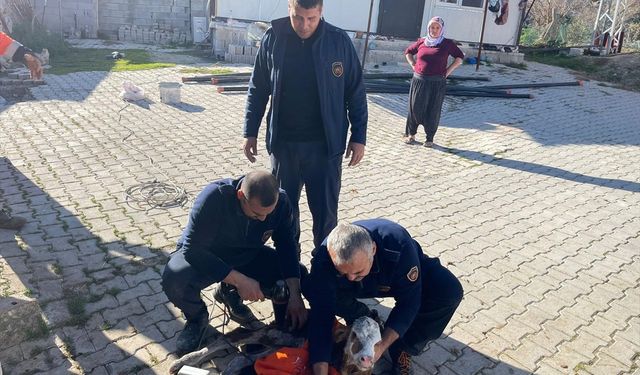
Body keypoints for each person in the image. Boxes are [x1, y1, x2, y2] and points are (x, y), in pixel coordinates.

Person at [242, 0, 368, 252]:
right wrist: (250, 131)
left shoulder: (338, 42)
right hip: (284, 146)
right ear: (289, 8)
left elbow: (355, 90)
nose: (304, 25)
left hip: (325, 148)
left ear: (321, 12)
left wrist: (359, 136)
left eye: (311, 18)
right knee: (283, 213)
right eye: (298, 17)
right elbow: (258, 88)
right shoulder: (273, 38)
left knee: (325, 217)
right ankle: (291, 268)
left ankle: (324, 269)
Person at [161, 171, 308, 354]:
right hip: (208, 255)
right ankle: (197, 319)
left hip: (247, 254)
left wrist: (295, 294)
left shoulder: (282, 202)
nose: (263, 219)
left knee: (297, 274)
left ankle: (228, 293)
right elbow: (193, 250)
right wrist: (240, 281)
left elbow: (287, 247)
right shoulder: (215, 197)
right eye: (256, 214)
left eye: (267, 214)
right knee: (175, 279)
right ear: (240, 196)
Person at [304, 220, 463, 375]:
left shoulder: (398, 244)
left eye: (357, 272)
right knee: (313, 289)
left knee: (449, 291)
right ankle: (363, 317)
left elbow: (409, 303)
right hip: (351, 287)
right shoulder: (324, 259)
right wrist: (320, 368)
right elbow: (322, 318)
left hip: (393, 275)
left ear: (373, 249)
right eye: (344, 272)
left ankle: (403, 348)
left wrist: (381, 346)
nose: (351, 277)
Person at [403, 16, 463, 147]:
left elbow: (460, 57)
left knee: (433, 109)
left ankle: (429, 138)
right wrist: (413, 64)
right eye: (432, 27)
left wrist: (448, 71)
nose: (434, 30)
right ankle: (411, 134)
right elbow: (408, 52)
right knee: (414, 108)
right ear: (428, 28)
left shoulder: (447, 43)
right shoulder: (422, 41)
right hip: (419, 81)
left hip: (437, 82)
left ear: (441, 29)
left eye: (437, 28)